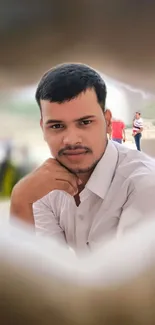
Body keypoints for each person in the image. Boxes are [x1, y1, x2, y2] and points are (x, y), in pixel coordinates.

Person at [10, 63, 155, 253]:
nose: (71, 140)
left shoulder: (143, 184)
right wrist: (20, 198)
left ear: (108, 122)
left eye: (85, 122)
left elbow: (129, 281)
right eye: (56, 126)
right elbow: (42, 269)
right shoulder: (43, 188)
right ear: (43, 129)